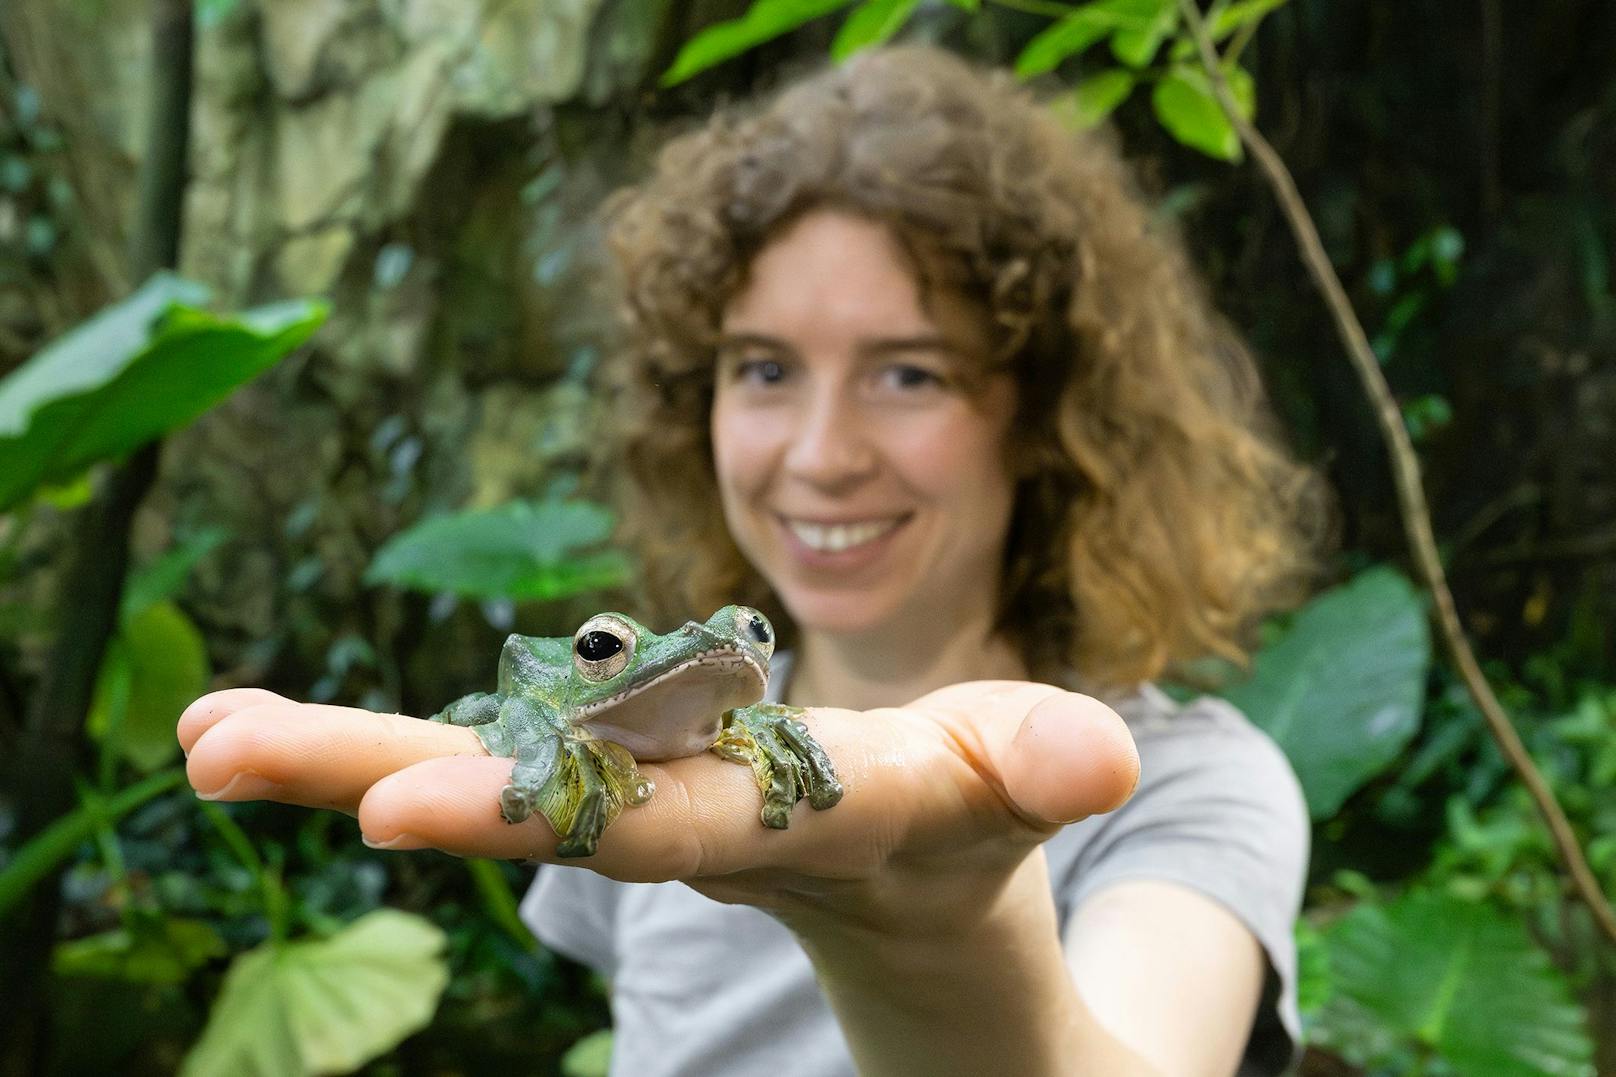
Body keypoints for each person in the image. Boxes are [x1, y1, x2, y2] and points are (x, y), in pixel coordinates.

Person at [178, 46, 1325, 1076]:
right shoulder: (635, 730)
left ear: (1041, 415)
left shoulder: (1184, 786)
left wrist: (938, 932)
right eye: (765, 369)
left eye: (909, 373)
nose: (820, 457)